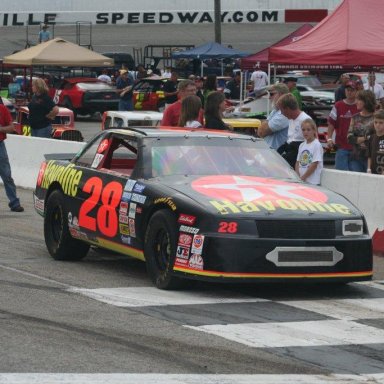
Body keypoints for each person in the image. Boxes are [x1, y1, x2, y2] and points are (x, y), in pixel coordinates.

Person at [327, 80, 358, 170]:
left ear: (356, 91)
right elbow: (331, 123)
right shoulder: (338, 105)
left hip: (356, 148)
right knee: (341, 175)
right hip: (341, 146)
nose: (349, 92)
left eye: (352, 90)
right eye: (347, 90)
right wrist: (329, 138)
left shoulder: (360, 106)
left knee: (355, 176)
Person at [277, 93, 312, 168]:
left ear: (288, 109)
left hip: (298, 157)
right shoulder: (291, 120)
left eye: (281, 110)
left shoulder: (305, 120)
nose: (281, 113)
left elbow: (311, 144)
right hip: (290, 151)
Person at [0, 102, 24, 212]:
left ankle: (14, 203)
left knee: (7, 175)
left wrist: (0, 129)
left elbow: (11, 127)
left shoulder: (3, 109)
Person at [347, 90, 376, 172]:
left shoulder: (376, 118)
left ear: (366, 101)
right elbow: (349, 138)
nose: (356, 102)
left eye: (358, 99)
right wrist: (365, 138)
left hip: (372, 158)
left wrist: (358, 139)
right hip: (356, 157)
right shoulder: (354, 117)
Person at [257, 83, 290, 150]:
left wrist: (264, 124)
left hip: (276, 155)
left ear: (281, 95)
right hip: (269, 152)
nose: (269, 97)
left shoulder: (284, 114)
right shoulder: (276, 110)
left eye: (272, 94)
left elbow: (261, 132)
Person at [295, 118, 323, 185]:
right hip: (301, 181)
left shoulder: (316, 145)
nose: (305, 132)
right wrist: (298, 176)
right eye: (303, 130)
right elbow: (297, 162)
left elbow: (314, 164)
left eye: (308, 130)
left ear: (314, 130)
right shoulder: (301, 145)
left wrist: (303, 177)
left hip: (312, 181)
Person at [367, 109, 384, 175]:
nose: (377, 125)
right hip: (373, 172)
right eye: (375, 122)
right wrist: (368, 169)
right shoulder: (371, 138)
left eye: (381, 122)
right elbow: (369, 156)